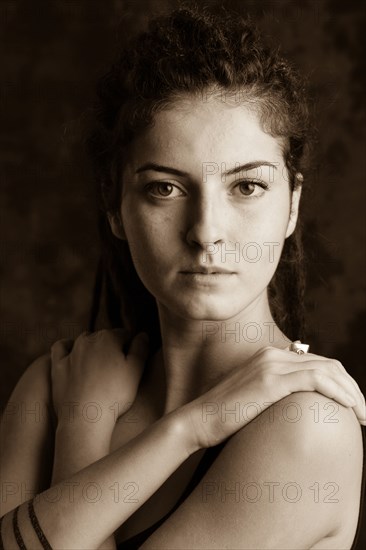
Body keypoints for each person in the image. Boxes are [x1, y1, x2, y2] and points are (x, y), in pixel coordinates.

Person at [0, 4, 365, 549]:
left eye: (247, 187)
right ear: (114, 205)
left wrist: (84, 433)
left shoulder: (309, 426)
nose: (205, 232)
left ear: (292, 205)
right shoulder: (56, 385)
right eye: (165, 188)